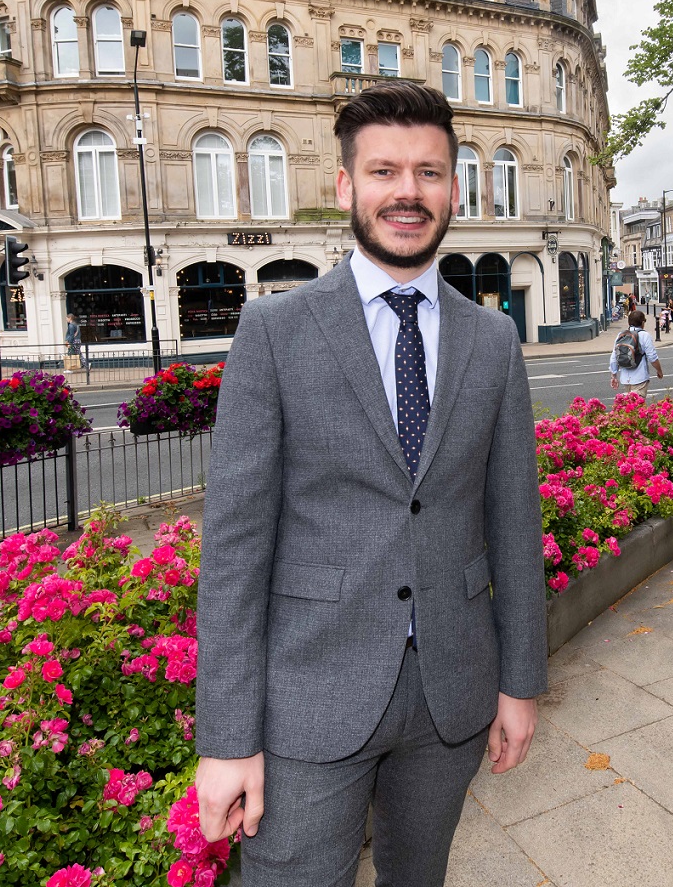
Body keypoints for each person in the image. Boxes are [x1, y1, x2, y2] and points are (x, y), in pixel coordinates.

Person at [194, 81, 545, 886]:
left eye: (428, 172)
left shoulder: (493, 340)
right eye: (385, 170)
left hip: (451, 696)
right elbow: (235, 548)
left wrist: (520, 682)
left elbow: (513, 522)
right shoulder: (275, 329)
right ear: (347, 186)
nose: (408, 192)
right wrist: (226, 737)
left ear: (453, 189)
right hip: (308, 695)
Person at [609, 308, 664, 399]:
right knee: (638, 408)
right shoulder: (644, 335)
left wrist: (614, 376)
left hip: (625, 380)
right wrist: (659, 371)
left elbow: (614, 358)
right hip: (640, 379)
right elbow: (652, 357)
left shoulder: (621, 335)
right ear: (642, 323)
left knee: (629, 409)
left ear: (628, 323)